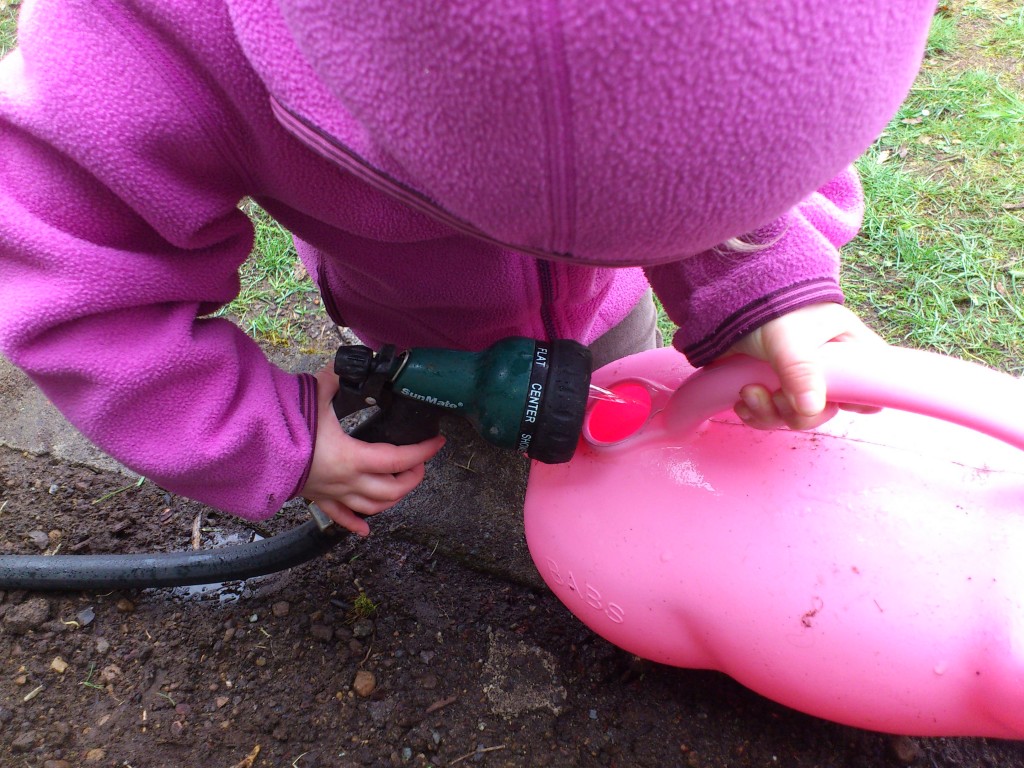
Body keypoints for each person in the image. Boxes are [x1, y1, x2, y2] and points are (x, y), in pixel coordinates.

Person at [0, 0, 937, 535]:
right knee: (475, 434)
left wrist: (766, 277)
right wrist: (266, 437)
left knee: (609, 387)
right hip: (405, 313)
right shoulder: (151, 39)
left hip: (601, 317)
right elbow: (76, 279)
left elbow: (741, 151)